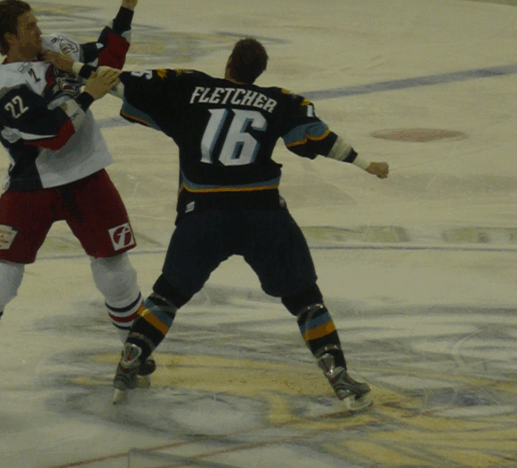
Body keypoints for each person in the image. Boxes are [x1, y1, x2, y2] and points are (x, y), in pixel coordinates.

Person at [49, 37, 388, 409]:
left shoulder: (189, 86)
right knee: (306, 299)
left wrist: (73, 67)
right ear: (259, 72)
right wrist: (366, 164)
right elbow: (321, 138)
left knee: (166, 296)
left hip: (203, 217)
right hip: (263, 215)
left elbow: (117, 82)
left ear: (228, 63)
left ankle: (132, 357)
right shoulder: (280, 100)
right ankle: (338, 376)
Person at [0, 0, 154, 390]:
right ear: (9, 38)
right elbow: (50, 133)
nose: (40, 30)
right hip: (32, 185)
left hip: (87, 175)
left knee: (115, 270)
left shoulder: (56, 47)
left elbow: (106, 58)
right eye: (30, 26)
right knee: (0, 275)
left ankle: (136, 348)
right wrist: (87, 94)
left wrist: (126, 11)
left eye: (36, 22)